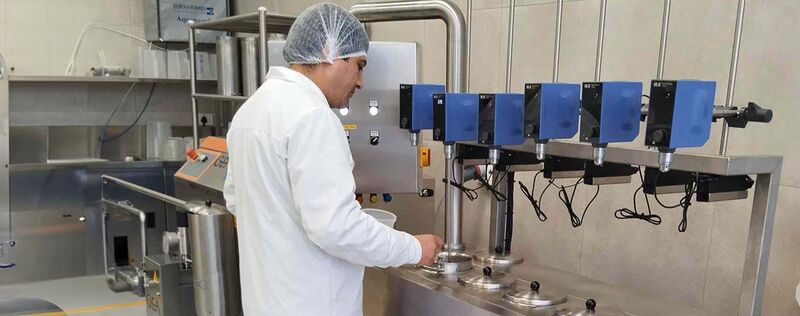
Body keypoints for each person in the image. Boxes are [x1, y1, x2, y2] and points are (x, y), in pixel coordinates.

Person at [222, 3, 443, 315]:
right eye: (360, 65)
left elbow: (236, 199)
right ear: (330, 52)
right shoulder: (313, 116)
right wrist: (414, 248)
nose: (360, 82)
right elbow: (336, 228)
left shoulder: (252, 110)